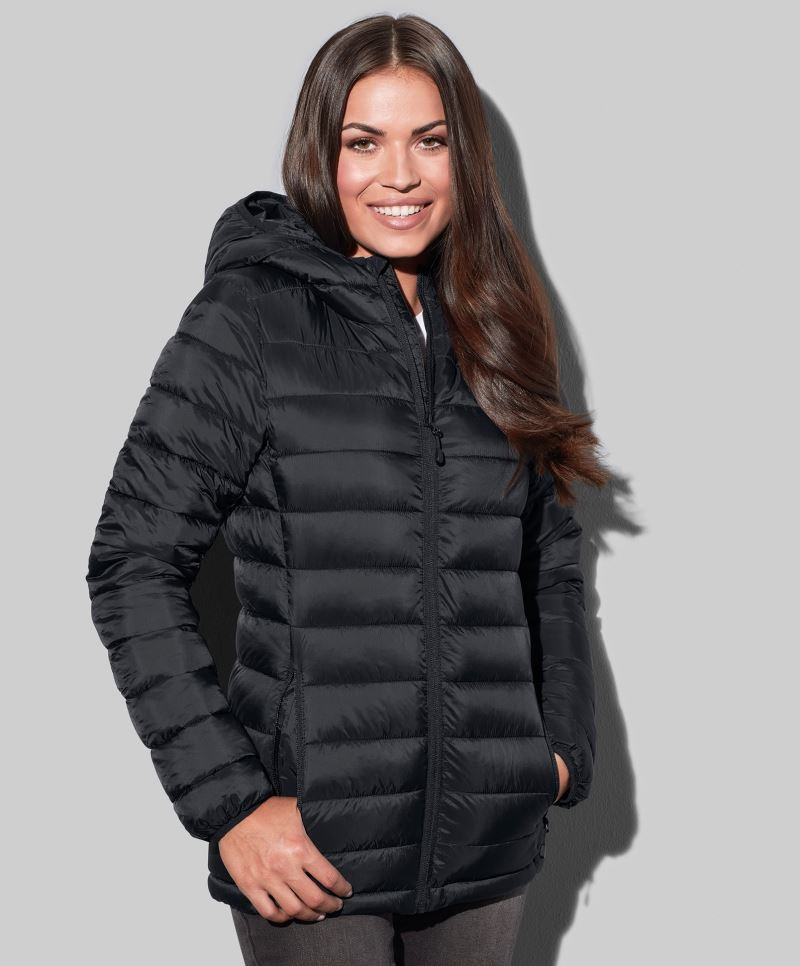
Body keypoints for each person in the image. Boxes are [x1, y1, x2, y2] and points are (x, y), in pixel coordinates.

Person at [85, 13, 609, 966]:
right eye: (363, 142)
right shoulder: (249, 318)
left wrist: (557, 752)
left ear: (464, 156)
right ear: (319, 153)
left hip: (487, 847)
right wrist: (231, 805)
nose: (398, 175)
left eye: (429, 141)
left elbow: (550, 558)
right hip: (312, 853)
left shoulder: (497, 321)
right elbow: (131, 563)